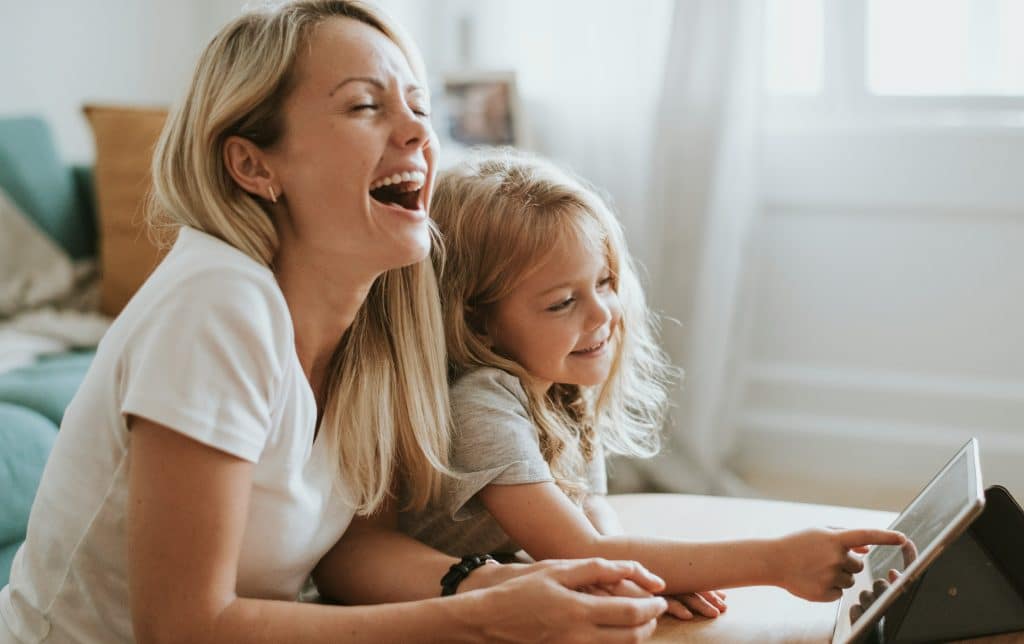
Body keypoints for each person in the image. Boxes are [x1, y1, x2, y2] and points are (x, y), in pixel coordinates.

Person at [0, 3, 673, 643]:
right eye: (364, 106)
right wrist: (484, 617)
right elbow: (182, 628)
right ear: (253, 164)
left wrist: (509, 584)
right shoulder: (216, 302)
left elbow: (351, 548)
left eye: (419, 106)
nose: (414, 132)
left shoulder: (370, 314)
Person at [402, 148, 907, 619]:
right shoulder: (482, 404)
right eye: (562, 302)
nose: (603, 312)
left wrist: (645, 575)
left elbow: (590, 510)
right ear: (477, 322)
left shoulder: (556, 382)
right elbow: (580, 551)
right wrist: (775, 560)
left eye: (603, 282)